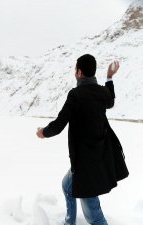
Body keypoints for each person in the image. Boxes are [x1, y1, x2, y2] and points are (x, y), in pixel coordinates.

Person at [36, 54, 129, 225]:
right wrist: (109, 77)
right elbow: (111, 101)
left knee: (95, 217)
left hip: (87, 166)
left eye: (75, 69)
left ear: (79, 72)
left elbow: (59, 124)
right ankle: (69, 222)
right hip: (96, 158)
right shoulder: (102, 92)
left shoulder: (76, 95)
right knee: (67, 185)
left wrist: (43, 132)